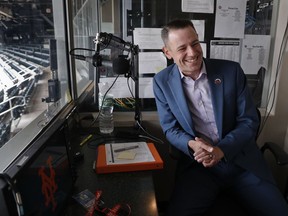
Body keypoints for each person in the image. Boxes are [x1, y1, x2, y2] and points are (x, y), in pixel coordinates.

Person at [153, 19, 288, 216]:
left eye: (195, 43)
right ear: (168, 52)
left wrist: (221, 150)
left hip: (241, 163)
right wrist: (192, 145)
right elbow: (170, 128)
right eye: (182, 48)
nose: (192, 52)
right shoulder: (162, 82)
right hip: (199, 167)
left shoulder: (231, 71)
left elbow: (249, 121)